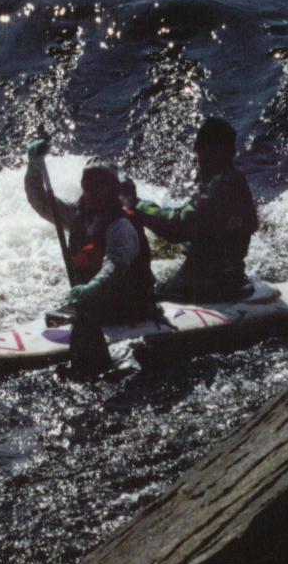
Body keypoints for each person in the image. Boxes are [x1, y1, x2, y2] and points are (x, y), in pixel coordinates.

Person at [24, 139, 154, 373]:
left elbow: (115, 264)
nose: (92, 190)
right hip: (96, 304)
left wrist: (93, 287)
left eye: (99, 185)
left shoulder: (121, 226)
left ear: (112, 190)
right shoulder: (77, 215)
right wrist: (33, 167)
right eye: (88, 183)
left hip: (128, 306)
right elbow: (40, 201)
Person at [133, 116, 259, 303]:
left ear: (206, 149)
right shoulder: (237, 181)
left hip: (204, 288)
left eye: (199, 150)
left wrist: (136, 205)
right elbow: (251, 224)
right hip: (232, 280)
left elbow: (178, 227)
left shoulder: (218, 186)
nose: (197, 158)